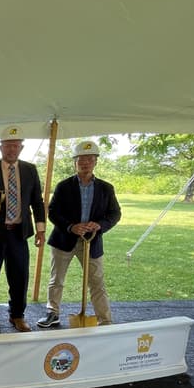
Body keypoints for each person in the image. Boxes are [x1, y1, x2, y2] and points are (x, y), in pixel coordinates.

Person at [37, 140, 122, 328]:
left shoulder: (106, 188)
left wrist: (99, 225)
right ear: (75, 162)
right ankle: (53, 313)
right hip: (63, 241)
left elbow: (115, 214)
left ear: (96, 162)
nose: (85, 163)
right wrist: (71, 227)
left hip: (92, 242)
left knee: (97, 283)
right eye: (81, 159)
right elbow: (53, 212)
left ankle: (105, 320)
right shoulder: (63, 186)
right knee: (56, 280)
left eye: (90, 159)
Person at [0, 125, 46, 332]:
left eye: (15, 145)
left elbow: (37, 202)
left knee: (19, 276)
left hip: (19, 233)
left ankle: (17, 315)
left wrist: (40, 229)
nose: (12, 149)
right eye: (8, 145)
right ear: (0, 147)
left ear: (21, 148)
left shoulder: (30, 170)